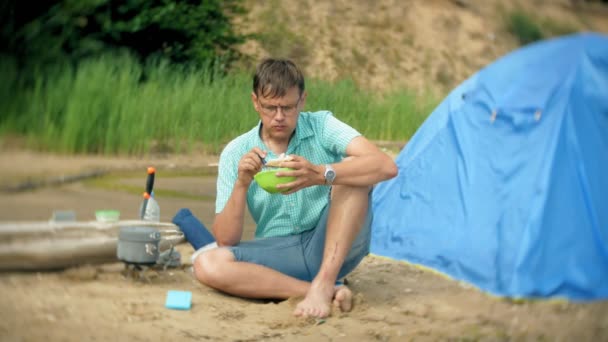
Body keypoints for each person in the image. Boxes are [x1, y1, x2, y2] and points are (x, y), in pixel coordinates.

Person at [192, 58, 398, 318]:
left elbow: (385, 166)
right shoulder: (236, 152)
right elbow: (226, 240)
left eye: (288, 107)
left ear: (302, 100)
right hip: (279, 252)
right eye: (270, 107)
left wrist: (320, 174)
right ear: (255, 102)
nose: (279, 117)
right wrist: (242, 184)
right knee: (207, 262)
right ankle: (321, 290)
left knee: (351, 172)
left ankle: (325, 281)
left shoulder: (322, 125)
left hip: (331, 243)